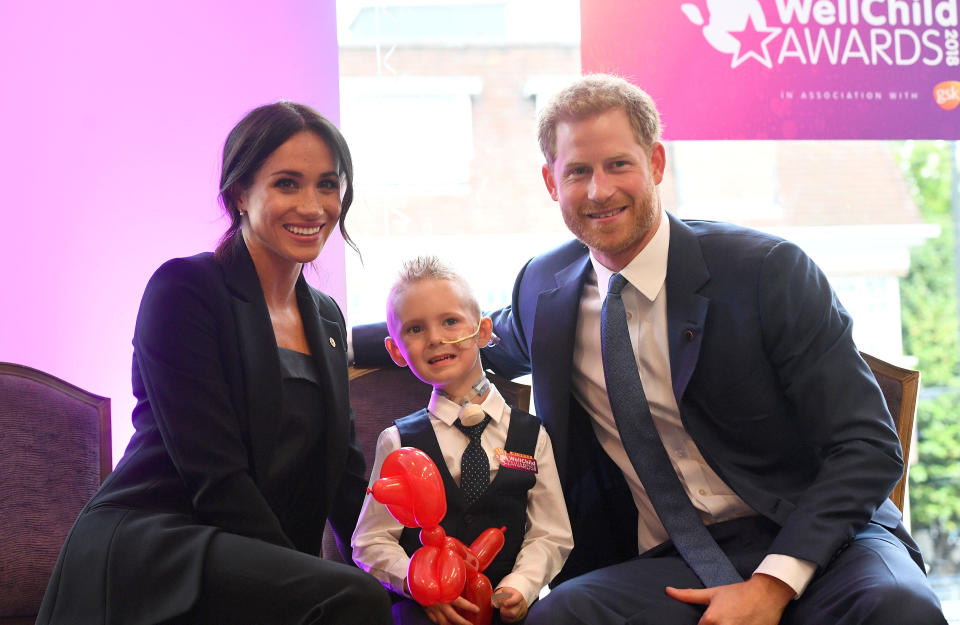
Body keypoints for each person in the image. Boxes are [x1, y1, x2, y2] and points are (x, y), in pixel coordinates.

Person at [353, 75, 946, 625]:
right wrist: (314, 337)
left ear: (656, 162)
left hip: (821, 541)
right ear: (550, 182)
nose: (599, 189)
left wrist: (773, 583)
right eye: (578, 170)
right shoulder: (545, 291)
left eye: (618, 165)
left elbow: (867, 446)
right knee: (559, 619)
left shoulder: (768, 272)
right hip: (669, 560)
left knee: (897, 608)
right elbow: (468, 334)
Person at [37, 102, 392, 625]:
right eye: (287, 184)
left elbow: (344, 478)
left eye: (327, 184)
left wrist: (403, 573)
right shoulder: (184, 290)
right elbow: (215, 477)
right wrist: (309, 576)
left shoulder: (328, 319)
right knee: (350, 600)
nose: (314, 206)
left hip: (246, 552)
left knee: (387, 598)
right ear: (240, 195)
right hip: (159, 546)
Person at [352, 256, 573, 625]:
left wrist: (521, 585)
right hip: (426, 613)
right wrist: (419, 584)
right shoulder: (398, 441)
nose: (436, 338)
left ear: (483, 331)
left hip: (509, 611)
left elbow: (551, 534)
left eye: (450, 321)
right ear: (396, 352)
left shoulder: (532, 436)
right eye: (415, 329)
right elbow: (371, 541)